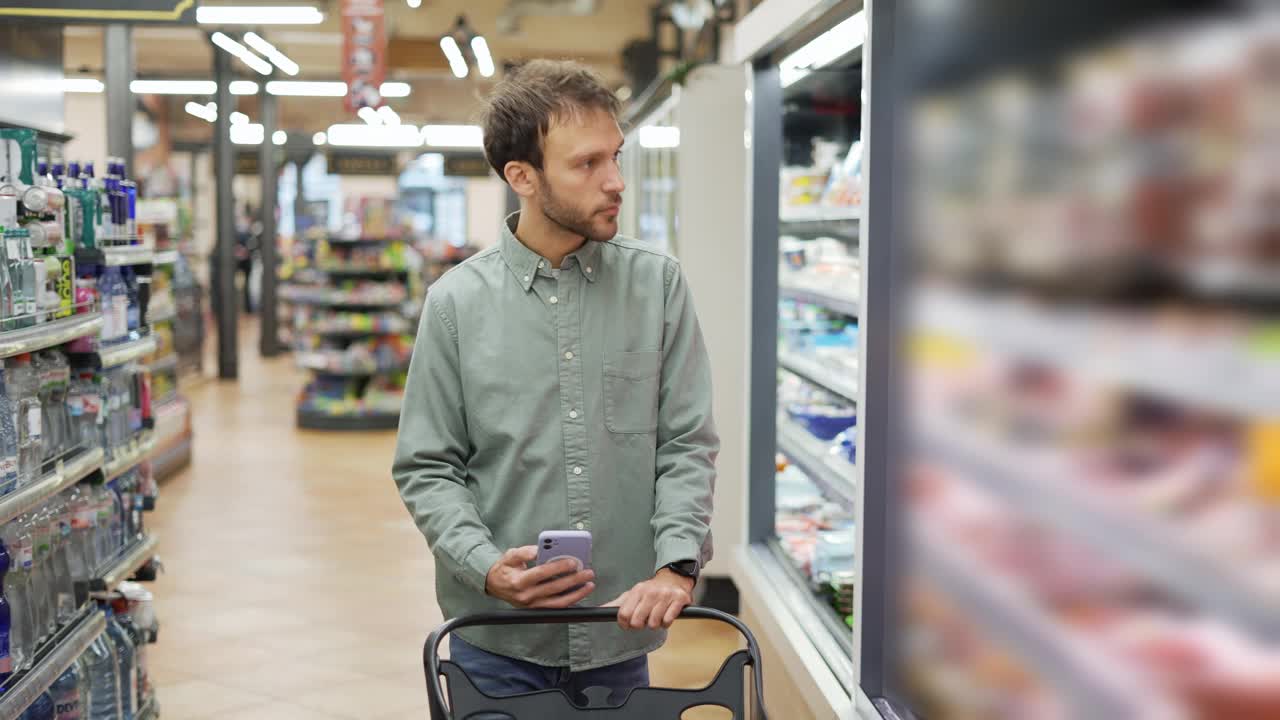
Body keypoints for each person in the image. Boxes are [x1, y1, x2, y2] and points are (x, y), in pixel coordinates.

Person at [392, 59, 718, 709]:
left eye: (615, 157)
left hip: (618, 635)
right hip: (496, 642)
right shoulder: (456, 303)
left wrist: (676, 566)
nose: (616, 181)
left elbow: (685, 442)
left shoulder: (657, 288)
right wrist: (484, 563)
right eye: (586, 164)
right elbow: (427, 466)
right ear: (523, 177)